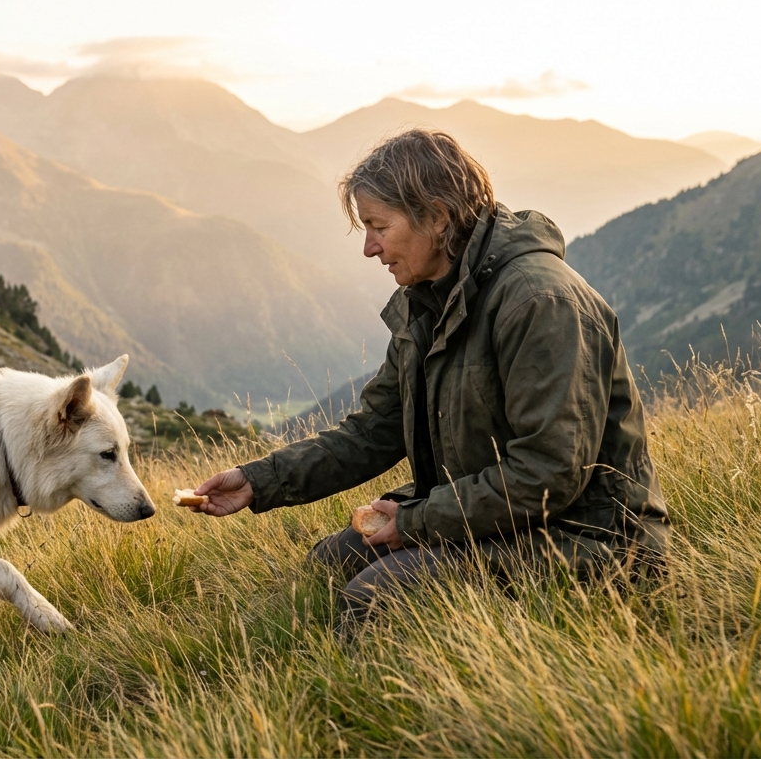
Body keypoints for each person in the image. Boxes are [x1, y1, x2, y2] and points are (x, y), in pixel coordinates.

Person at [191, 129, 670, 622]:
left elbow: (551, 472)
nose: (369, 248)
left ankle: (378, 698)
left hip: (591, 539)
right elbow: (372, 431)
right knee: (329, 564)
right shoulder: (426, 301)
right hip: (500, 520)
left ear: (437, 217)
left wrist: (419, 522)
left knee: (373, 599)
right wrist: (258, 481)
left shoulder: (539, 302)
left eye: (378, 226)